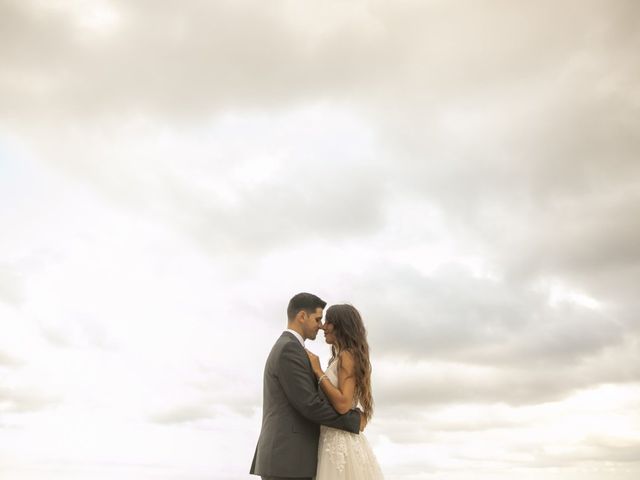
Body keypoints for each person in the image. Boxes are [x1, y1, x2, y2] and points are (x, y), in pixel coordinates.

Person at [250, 293, 366, 480]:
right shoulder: (289, 349)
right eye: (318, 319)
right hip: (287, 459)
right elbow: (309, 404)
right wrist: (353, 421)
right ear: (302, 316)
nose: (321, 326)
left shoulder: (293, 347)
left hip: (291, 459)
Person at [306, 304, 385, 479]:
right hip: (333, 438)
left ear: (341, 326)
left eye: (328, 322)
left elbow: (343, 404)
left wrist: (318, 372)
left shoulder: (347, 356)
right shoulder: (341, 356)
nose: (323, 327)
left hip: (339, 441)